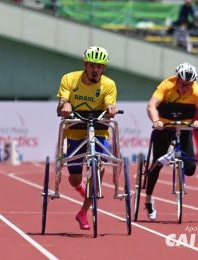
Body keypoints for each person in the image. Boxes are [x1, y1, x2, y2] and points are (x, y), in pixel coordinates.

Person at [57, 46, 118, 230]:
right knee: (74, 179)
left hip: (98, 130)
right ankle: (81, 188)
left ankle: (83, 212)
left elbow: (109, 103)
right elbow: (61, 103)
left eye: (99, 66)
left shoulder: (108, 85)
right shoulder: (69, 78)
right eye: (92, 65)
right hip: (75, 128)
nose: (95, 70)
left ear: (104, 68)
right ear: (85, 65)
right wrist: (65, 105)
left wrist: (111, 108)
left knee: (99, 169)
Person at [145, 62, 198, 221]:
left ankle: (180, 185)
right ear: (177, 80)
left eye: (188, 85)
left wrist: (196, 122)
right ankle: (148, 200)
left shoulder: (196, 92)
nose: (185, 88)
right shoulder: (166, 85)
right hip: (164, 127)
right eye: (182, 84)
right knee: (157, 163)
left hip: (184, 129)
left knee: (190, 169)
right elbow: (151, 105)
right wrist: (156, 121)